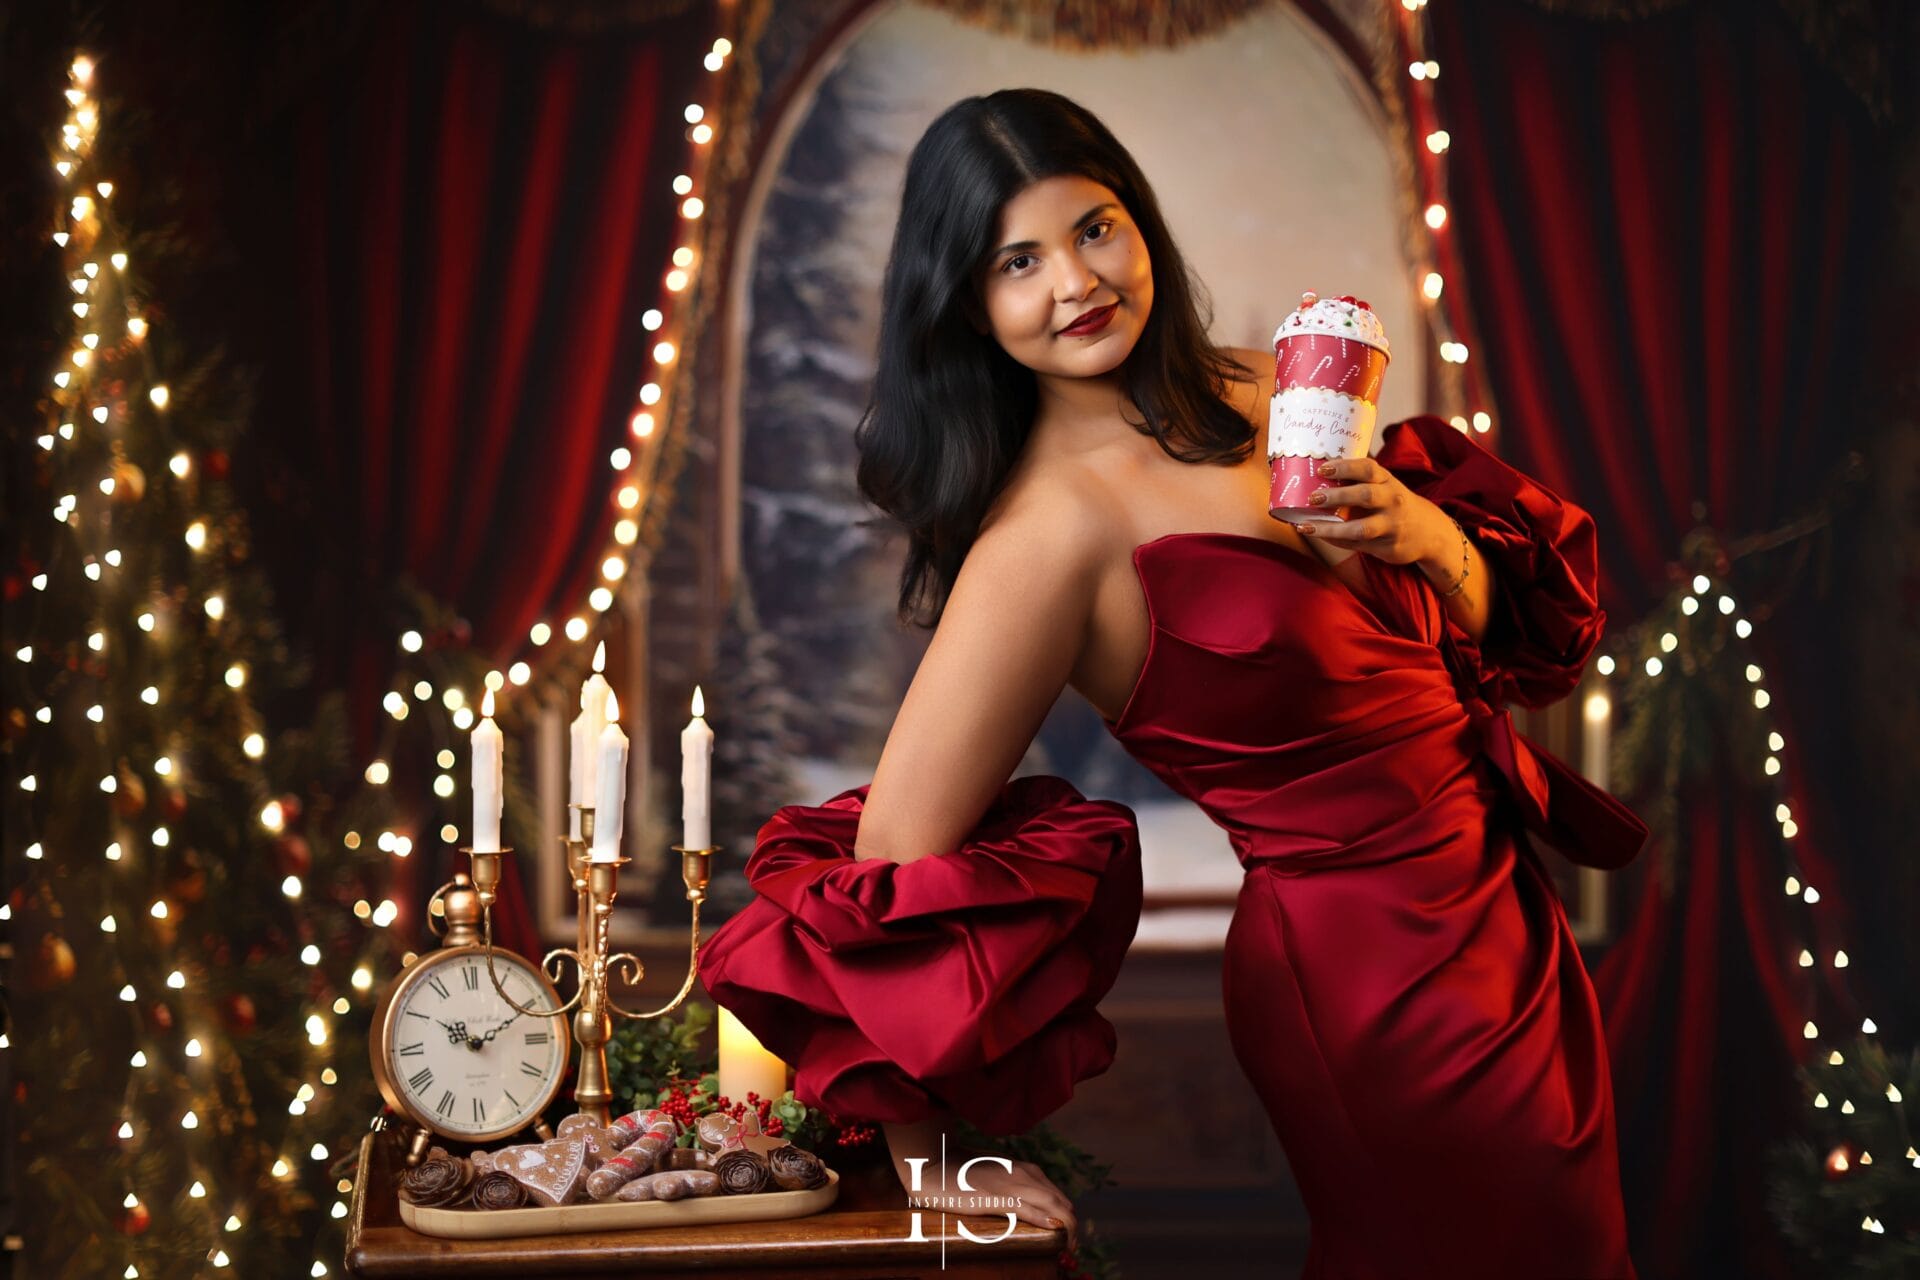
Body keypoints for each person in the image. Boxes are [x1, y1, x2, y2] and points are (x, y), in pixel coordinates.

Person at [700, 88, 1649, 1277]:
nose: (1075, 283)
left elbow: (1517, 642)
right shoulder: (1045, 538)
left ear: (1140, 220)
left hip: (1507, 913)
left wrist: (1422, 530)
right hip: (1362, 973)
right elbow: (886, 864)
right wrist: (938, 1169)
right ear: (968, 302)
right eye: (1019, 260)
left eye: (1095, 228)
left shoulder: (1271, 386)